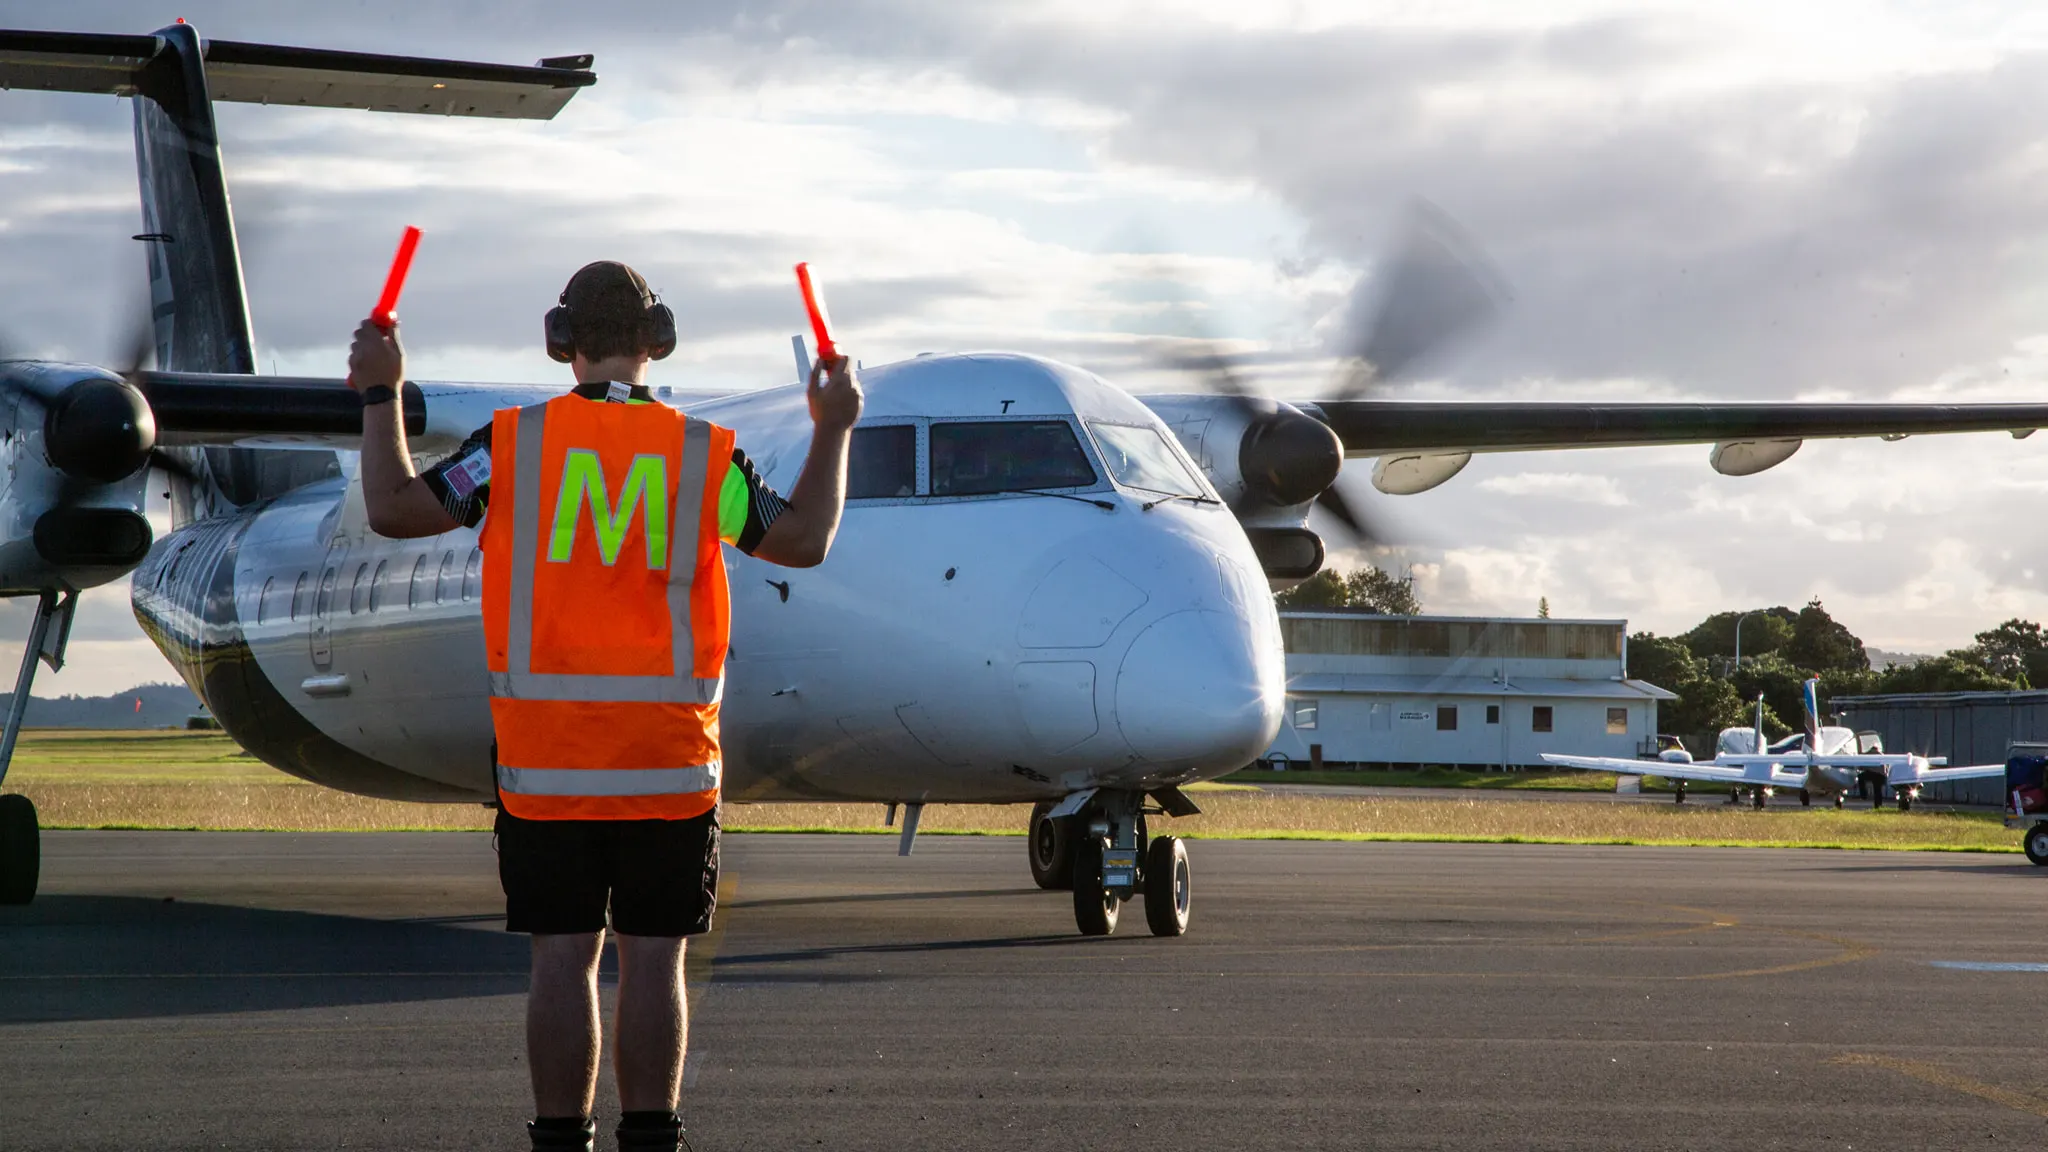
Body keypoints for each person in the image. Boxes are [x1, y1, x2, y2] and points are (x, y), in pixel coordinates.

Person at [348, 260, 862, 1152]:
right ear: (656, 344)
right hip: (669, 763)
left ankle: (558, 1140)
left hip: (545, 766)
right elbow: (807, 538)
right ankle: (653, 1139)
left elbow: (393, 510)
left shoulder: (509, 447)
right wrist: (833, 429)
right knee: (654, 961)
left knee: (561, 960)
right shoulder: (702, 453)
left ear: (561, 345)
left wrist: (382, 394)